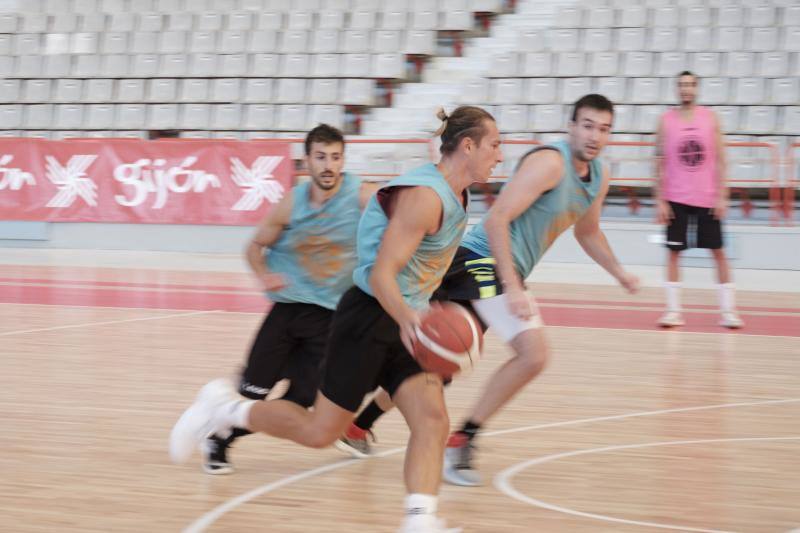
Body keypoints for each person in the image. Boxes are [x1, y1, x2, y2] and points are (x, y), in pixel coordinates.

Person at [170, 106, 504, 532]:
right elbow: (383, 274)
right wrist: (414, 323)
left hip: (404, 319)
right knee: (319, 432)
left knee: (433, 420)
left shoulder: (457, 193)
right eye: (494, 145)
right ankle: (227, 409)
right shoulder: (424, 196)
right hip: (369, 317)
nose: (499, 155)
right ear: (468, 145)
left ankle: (420, 522)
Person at [338, 94, 640, 488]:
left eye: (603, 128)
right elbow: (497, 219)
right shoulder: (550, 163)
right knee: (534, 353)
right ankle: (461, 440)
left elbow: (588, 230)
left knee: (435, 364)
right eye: (587, 125)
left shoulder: (598, 176)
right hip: (481, 260)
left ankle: (359, 427)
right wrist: (513, 286)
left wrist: (619, 272)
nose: (595, 135)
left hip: (496, 270)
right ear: (571, 127)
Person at [202, 124, 376, 474]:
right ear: (306, 161)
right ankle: (221, 430)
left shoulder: (361, 195)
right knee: (254, 394)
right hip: (288, 313)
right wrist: (263, 273)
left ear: (344, 161)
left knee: (299, 402)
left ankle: (224, 437)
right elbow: (254, 247)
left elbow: (400, 210)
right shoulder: (292, 203)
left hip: (330, 319)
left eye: (336, 157)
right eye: (321, 157)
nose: (328, 165)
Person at [654, 71, 743, 329]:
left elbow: (722, 159)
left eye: (690, 85)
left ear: (697, 88)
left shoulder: (710, 118)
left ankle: (729, 311)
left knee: (719, 253)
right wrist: (659, 199)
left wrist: (723, 195)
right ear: (676, 88)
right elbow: (658, 161)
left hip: (707, 197)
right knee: (673, 253)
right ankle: (673, 311)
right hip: (675, 197)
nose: (686, 89)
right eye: (681, 85)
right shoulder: (666, 120)